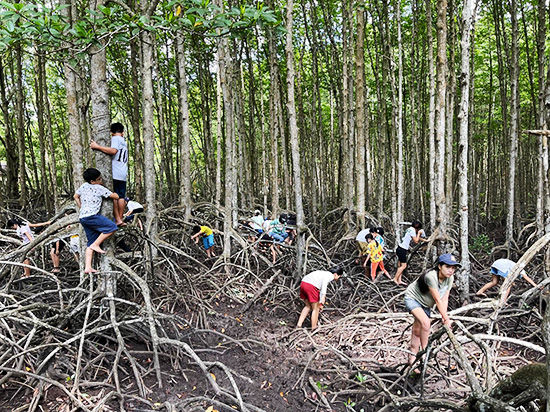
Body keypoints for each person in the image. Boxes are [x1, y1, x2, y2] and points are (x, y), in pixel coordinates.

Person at [404, 253, 459, 370]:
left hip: (425, 304)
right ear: (440, 266)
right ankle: (424, 353)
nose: (451, 270)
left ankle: (412, 358)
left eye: (453, 268)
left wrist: (445, 317)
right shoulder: (431, 277)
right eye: (448, 267)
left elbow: (445, 299)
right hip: (413, 298)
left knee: (417, 331)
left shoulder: (450, 279)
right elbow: (437, 300)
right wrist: (447, 319)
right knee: (426, 323)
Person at [74, 168, 119, 273]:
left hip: (83, 217)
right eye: (99, 179)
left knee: (90, 243)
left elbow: (75, 196)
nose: (101, 181)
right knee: (112, 227)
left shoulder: (83, 186)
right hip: (92, 217)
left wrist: (81, 207)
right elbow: (115, 196)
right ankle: (96, 245)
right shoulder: (99, 188)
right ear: (92, 182)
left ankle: (87, 267)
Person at [90, 122, 128, 226]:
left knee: (113, 196)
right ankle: (120, 218)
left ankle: (118, 219)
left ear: (111, 132)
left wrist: (97, 147)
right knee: (121, 197)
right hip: (123, 173)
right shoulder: (124, 142)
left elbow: (113, 151)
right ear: (123, 132)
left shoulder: (115, 139)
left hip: (115, 173)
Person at [297, 266, 343, 330]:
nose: (338, 278)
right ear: (335, 274)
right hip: (311, 286)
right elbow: (323, 289)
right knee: (316, 309)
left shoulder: (324, 273)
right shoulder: (330, 276)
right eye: (339, 276)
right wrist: (321, 302)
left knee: (308, 306)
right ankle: (314, 328)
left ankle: (299, 325)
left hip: (303, 283)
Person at [393, 220, 428, 285]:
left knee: (400, 265)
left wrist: (425, 240)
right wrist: (419, 233)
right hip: (402, 250)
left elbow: (415, 237)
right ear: (418, 228)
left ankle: (399, 280)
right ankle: (395, 278)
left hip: (400, 248)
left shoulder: (409, 229)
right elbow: (416, 241)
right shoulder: (412, 230)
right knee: (404, 266)